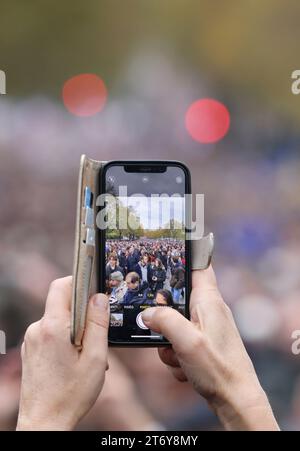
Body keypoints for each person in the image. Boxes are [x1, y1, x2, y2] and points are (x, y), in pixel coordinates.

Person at [16, 267, 279, 431]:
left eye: (157, 338)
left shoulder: (200, 415)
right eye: (134, 353)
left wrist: (41, 419)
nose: (152, 357)